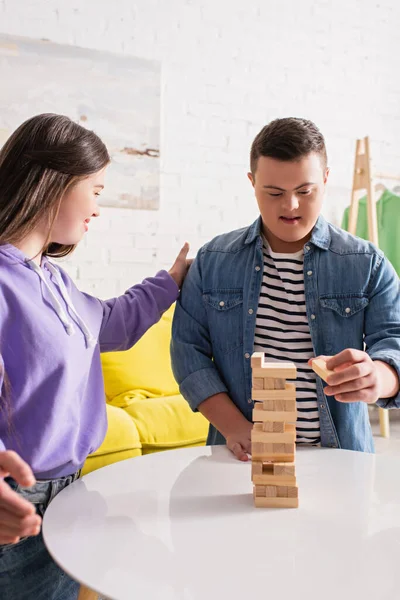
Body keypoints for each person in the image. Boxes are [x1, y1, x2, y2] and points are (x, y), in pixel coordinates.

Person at [0, 113, 191, 599]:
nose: (99, 209)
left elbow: (108, 323)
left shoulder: (51, 278)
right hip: (16, 504)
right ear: (53, 184)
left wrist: (171, 281)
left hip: (68, 492)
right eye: (97, 190)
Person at [171, 117, 400, 462]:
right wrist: (235, 428)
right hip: (241, 457)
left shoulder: (366, 262)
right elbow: (188, 353)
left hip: (340, 458)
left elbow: (394, 343)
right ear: (252, 182)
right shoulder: (212, 262)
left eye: (305, 191)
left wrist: (379, 378)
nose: (290, 206)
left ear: (325, 179)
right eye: (274, 193)